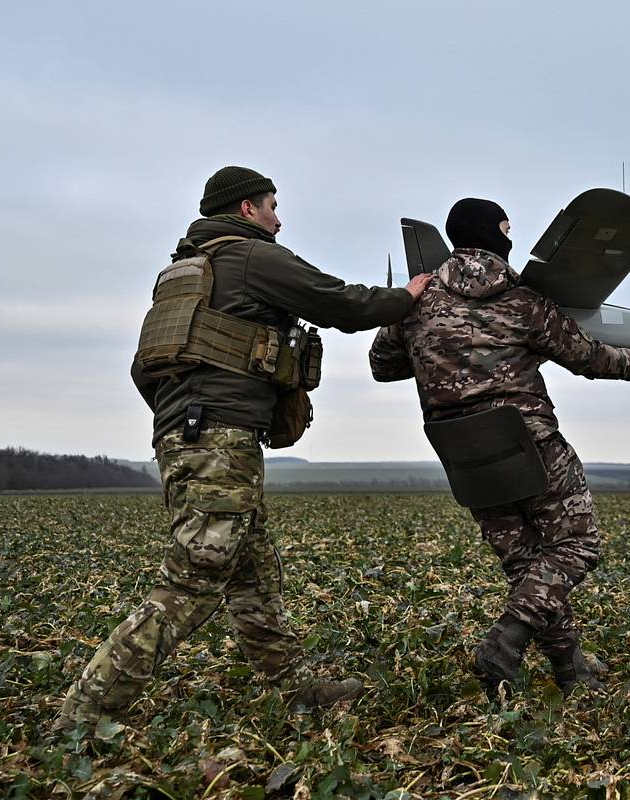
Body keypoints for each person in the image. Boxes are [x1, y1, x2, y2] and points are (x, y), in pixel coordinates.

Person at [55, 166, 433, 729]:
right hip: (217, 438)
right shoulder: (250, 257)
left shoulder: (180, 274)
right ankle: (85, 712)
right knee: (195, 577)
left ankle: (298, 689)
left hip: (192, 434)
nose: (279, 218)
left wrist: (188, 420)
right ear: (246, 210)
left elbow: (146, 367)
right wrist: (406, 297)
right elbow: (340, 303)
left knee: (254, 573)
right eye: (272, 206)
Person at [368, 198, 630, 696]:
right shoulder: (523, 300)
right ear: (497, 237)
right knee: (577, 543)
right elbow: (586, 356)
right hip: (527, 441)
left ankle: (570, 669)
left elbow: (383, 365)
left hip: (464, 453)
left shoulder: (417, 301)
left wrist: (433, 343)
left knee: (527, 564)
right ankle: (504, 642)